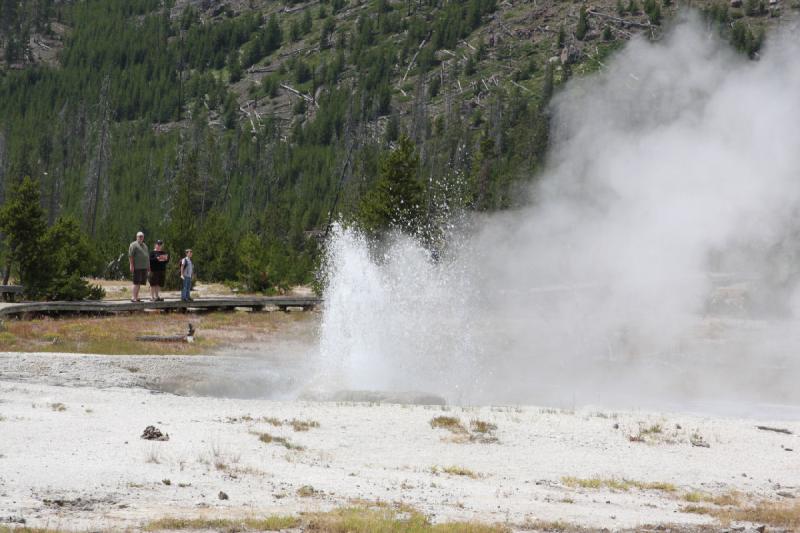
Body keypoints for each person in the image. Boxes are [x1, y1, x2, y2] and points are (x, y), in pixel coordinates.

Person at [128, 231, 149, 302]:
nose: (141, 237)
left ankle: (136, 297)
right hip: (137, 267)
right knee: (136, 282)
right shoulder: (133, 245)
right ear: (136, 237)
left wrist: (148, 266)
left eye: (142, 236)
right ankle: (133, 297)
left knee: (139, 283)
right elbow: (130, 256)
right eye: (139, 236)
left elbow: (147, 256)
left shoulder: (145, 245)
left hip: (144, 267)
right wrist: (131, 265)